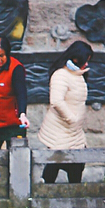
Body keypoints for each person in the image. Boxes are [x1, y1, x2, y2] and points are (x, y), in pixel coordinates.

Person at [38, 40, 93, 184]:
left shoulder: (78, 74)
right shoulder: (61, 75)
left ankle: (74, 196)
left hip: (74, 131)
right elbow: (56, 101)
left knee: (77, 164)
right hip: (60, 130)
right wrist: (71, 119)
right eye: (85, 61)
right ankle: (45, 195)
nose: (87, 64)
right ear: (76, 59)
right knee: (55, 164)